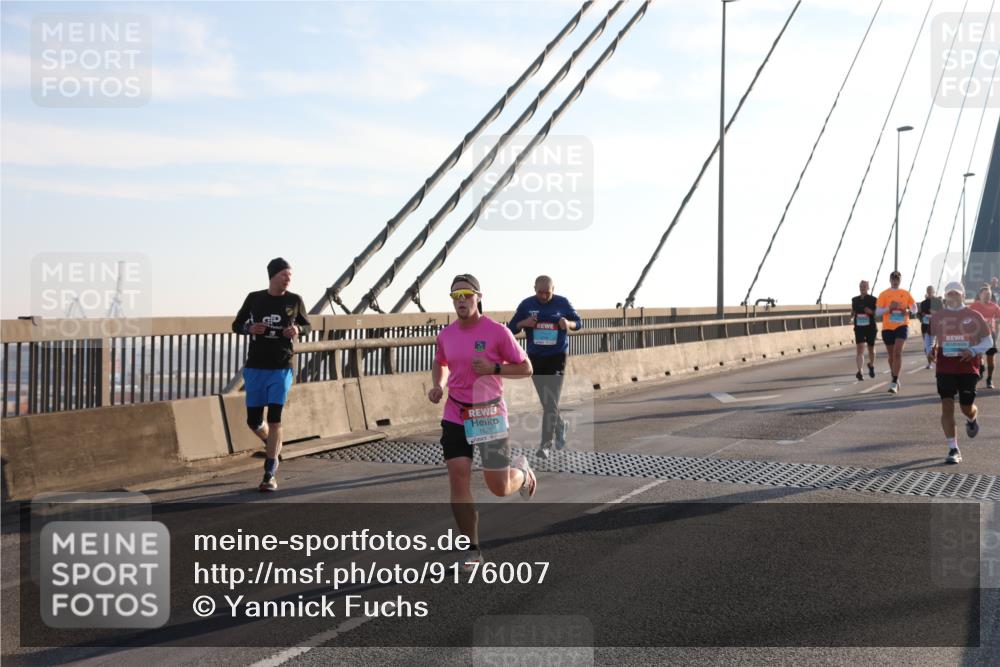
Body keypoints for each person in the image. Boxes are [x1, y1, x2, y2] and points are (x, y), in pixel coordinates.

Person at [428, 274, 535, 572]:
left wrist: (495, 367)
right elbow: (441, 361)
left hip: (488, 413)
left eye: (466, 294)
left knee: (498, 487)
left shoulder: (497, 332)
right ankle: (472, 549)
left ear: (478, 296)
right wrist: (438, 384)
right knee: (458, 476)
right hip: (456, 413)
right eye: (455, 295)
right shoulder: (446, 334)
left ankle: (523, 474)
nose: (460, 300)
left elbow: (526, 367)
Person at [232, 258, 311, 492]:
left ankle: (269, 472)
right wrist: (248, 328)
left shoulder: (294, 300)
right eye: (284, 275)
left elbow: (308, 326)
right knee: (254, 421)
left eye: (290, 276)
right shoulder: (255, 298)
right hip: (256, 366)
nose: (288, 279)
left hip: (281, 366)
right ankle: (271, 443)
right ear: (273, 276)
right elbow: (236, 324)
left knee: (275, 419)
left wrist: (298, 329)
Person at [508, 275, 582, 459]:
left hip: (557, 357)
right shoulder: (526, 305)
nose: (543, 296)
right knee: (547, 401)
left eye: (547, 292)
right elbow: (510, 328)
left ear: (553, 289)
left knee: (550, 402)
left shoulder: (562, 303)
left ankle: (545, 445)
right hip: (535, 358)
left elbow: (579, 323)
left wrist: (568, 324)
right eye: (539, 292)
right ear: (534, 289)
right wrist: (524, 323)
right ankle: (561, 424)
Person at [928, 282, 992, 464]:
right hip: (945, 368)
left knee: (966, 407)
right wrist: (929, 350)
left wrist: (972, 351)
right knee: (947, 405)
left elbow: (988, 342)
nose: (953, 297)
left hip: (968, 367)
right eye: (950, 294)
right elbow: (930, 336)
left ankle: (972, 418)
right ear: (946, 297)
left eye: (956, 294)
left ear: (963, 296)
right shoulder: (939, 316)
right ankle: (953, 448)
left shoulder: (974, 316)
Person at [875, 271, 918, 394]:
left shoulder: (905, 293)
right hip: (888, 328)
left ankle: (894, 381)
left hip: (902, 325)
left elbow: (914, 307)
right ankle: (895, 377)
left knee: (897, 353)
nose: (895, 281)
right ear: (890, 280)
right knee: (891, 357)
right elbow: (877, 312)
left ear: (900, 280)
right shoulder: (884, 294)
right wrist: (890, 308)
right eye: (893, 279)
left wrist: (909, 310)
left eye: (897, 279)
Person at [969, 284, 1000, 389]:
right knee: (978, 357)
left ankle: (989, 379)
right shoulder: (974, 306)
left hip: (991, 334)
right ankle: (981, 369)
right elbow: (967, 319)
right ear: (980, 295)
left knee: (991, 359)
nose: (988, 296)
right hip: (977, 335)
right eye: (986, 294)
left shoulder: (994, 306)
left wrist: (995, 322)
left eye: (989, 295)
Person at [850, 280, 878, 381]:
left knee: (871, 349)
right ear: (859, 287)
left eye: (864, 286)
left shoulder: (873, 299)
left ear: (868, 288)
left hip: (870, 327)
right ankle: (860, 371)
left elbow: (878, 313)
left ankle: (871, 365)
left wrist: (871, 312)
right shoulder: (854, 300)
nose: (862, 288)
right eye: (861, 286)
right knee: (860, 350)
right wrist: (852, 317)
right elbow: (853, 312)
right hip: (859, 327)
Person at [918, 286, 942, 370]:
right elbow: (919, 313)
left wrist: (934, 314)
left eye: (931, 290)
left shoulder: (938, 302)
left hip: (935, 326)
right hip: (925, 325)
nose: (929, 292)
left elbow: (942, 313)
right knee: (926, 345)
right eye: (928, 290)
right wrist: (922, 317)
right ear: (926, 291)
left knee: (934, 345)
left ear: (934, 291)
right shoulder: (923, 303)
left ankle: (935, 359)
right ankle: (929, 363)